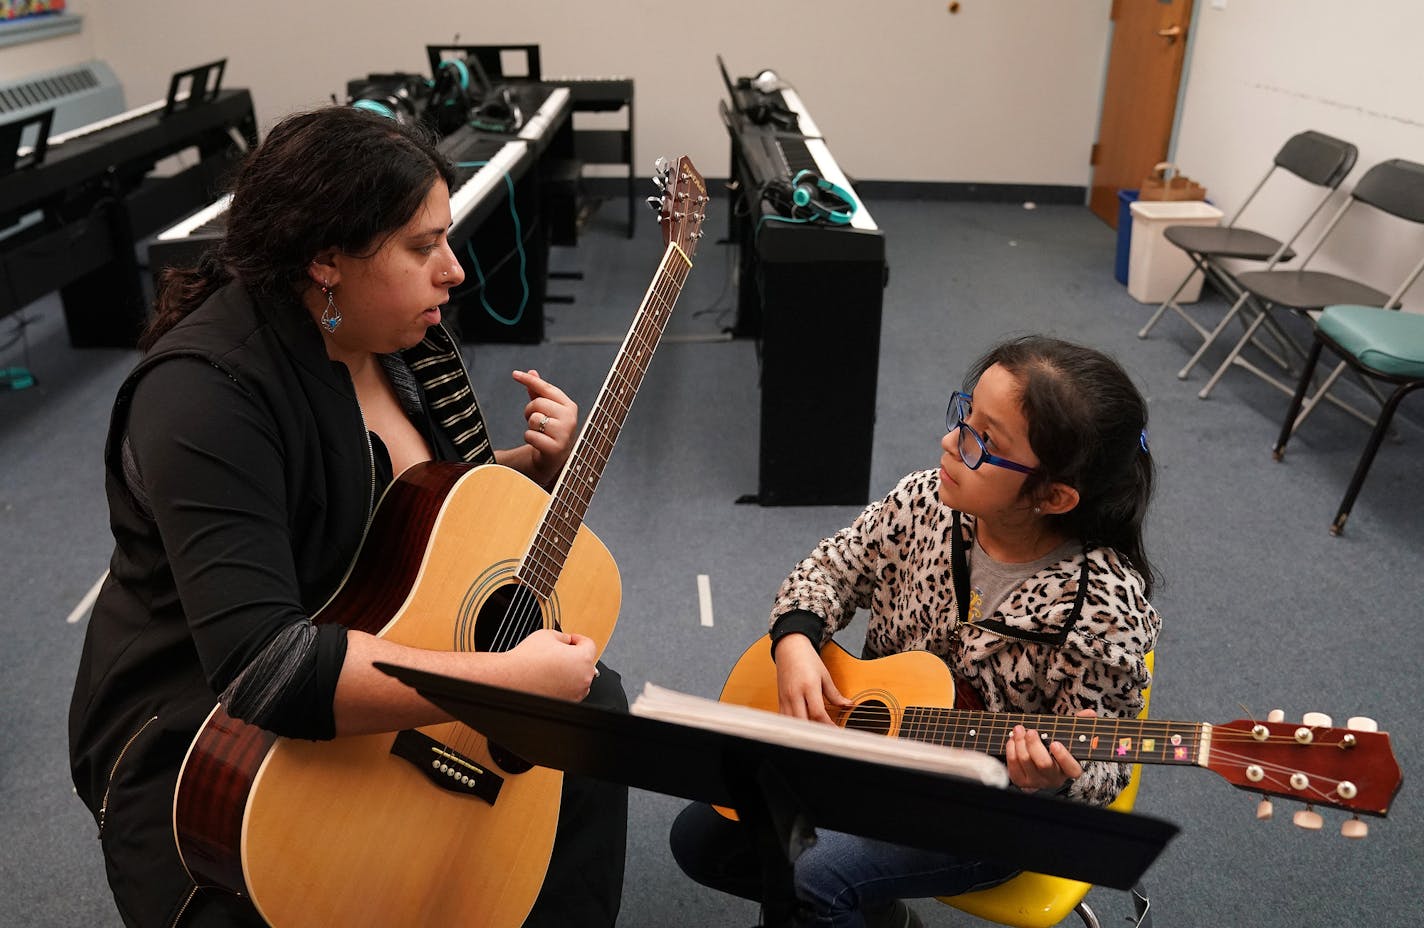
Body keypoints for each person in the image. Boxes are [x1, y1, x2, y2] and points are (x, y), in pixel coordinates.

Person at [67, 106, 626, 928]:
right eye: (422, 245)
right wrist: (508, 684)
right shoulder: (205, 393)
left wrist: (522, 474)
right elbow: (267, 668)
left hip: (364, 629)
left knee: (591, 711)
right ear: (326, 260)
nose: (455, 273)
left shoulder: (408, 339)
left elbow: (425, 518)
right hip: (208, 724)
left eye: (447, 237)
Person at [670, 335, 1161, 928]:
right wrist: (797, 641)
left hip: (989, 813)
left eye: (983, 441)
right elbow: (831, 569)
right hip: (877, 756)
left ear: (1053, 496)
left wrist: (1054, 779)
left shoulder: (1104, 611)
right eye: (964, 417)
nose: (950, 442)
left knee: (814, 875)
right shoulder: (925, 504)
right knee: (703, 840)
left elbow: (1109, 764)